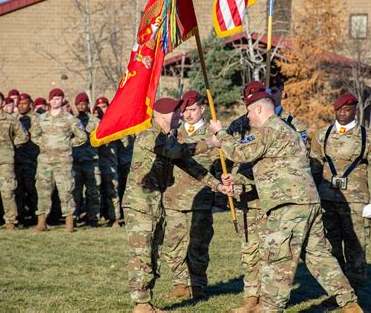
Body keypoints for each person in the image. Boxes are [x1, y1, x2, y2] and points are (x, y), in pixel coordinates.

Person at [208, 83, 362, 313]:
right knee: (317, 254)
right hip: (306, 201)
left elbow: (242, 153)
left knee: (277, 257)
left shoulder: (271, 129)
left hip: (288, 205)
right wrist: (237, 181)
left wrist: (220, 134)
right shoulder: (285, 131)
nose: (247, 117)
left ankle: (270, 308)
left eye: (249, 111)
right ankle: (349, 303)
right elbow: (272, 169)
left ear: (259, 110)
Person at [124, 97, 228, 312]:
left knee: (152, 252)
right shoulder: (149, 134)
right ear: (162, 115)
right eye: (177, 112)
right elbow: (177, 152)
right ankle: (141, 304)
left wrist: (217, 186)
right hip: (140, 204)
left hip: (155, 204)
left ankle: (145, 303)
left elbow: (188, 164)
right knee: (142, 253)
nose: (181, 115)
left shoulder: (167, 137)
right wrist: (209, 143)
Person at [225, 82, 308, 311]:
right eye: (247, 100)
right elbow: (233, 157)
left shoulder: (288, 123)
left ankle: (267, 300)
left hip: (275, 197)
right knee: (250, 250)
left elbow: (301, 157)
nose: (249, 104)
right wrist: (233, 180)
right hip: (248, 196)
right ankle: (250, 298)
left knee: (273, 251)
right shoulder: (239, 124)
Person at [310, 93, 371, 290]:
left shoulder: (368, 138)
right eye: (339, 110)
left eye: (347, 110)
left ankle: (355, 291)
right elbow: (314, 169)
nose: (342, 114)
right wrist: (312, 197)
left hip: (356, 202)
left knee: (355, 248)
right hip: (326, 199)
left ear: (355, 111)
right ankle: (337, 291)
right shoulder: (322, 135)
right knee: (330, 246)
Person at [161, 90, 218, 300]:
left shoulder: (213, 135)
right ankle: (180, 283)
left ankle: (197, 284)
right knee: (173, 242)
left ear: (202, 109)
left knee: (199, 243)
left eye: (192, 110)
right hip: (174, 197)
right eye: (184, 110)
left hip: (200, 198)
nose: (187, 114)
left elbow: (220, 166)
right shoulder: (173, 133)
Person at [31, 88, 87, 232]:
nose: (55, 101)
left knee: (66, 190)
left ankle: (69, 223)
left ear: (63, 100)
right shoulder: (41, 118)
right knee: (43, 191)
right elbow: (34, 135)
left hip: (63, 162)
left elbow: (82, 136)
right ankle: (42, 222)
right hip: (44, 161)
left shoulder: (71, 119)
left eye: (58, 98)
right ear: (49, 101)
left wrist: (67, 144)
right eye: (53, 99)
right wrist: (43, 144)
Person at [0, 91, 29, 230]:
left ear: (3, 103)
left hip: (5, 162)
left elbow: (23, 136)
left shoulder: (11, 119)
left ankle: (10, 221)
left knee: (8, 191)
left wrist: (10, 145)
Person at [72, 93, 101, 227]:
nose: (81, 106)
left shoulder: (95, 121)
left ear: (88, 105)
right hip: (76, 162)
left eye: (84, 103)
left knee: (93, 191)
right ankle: (74, 217)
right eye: (78, 104)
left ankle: (93, 218)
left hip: (91, 161)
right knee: (75, 191)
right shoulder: (72, 120)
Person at [14, 93, 40, 227]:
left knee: (33, 190)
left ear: (30, 104)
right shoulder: (13, 119)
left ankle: (36, 217)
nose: (21, 106)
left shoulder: (39, 119)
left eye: (24, 103)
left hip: (33, 160)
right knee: (18, 190)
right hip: (17, 160)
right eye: (19, 103)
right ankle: (20, 217)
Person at [95, 97, 121, 227]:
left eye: (104, 106)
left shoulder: (115, 123)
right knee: (95, 191)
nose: (101, 109)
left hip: (110, 163)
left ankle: (115, 218)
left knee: (112, 191)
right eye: (98, 107)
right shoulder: (91, 122)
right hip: (94, 163)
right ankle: (95, 217)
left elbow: (124, 145)